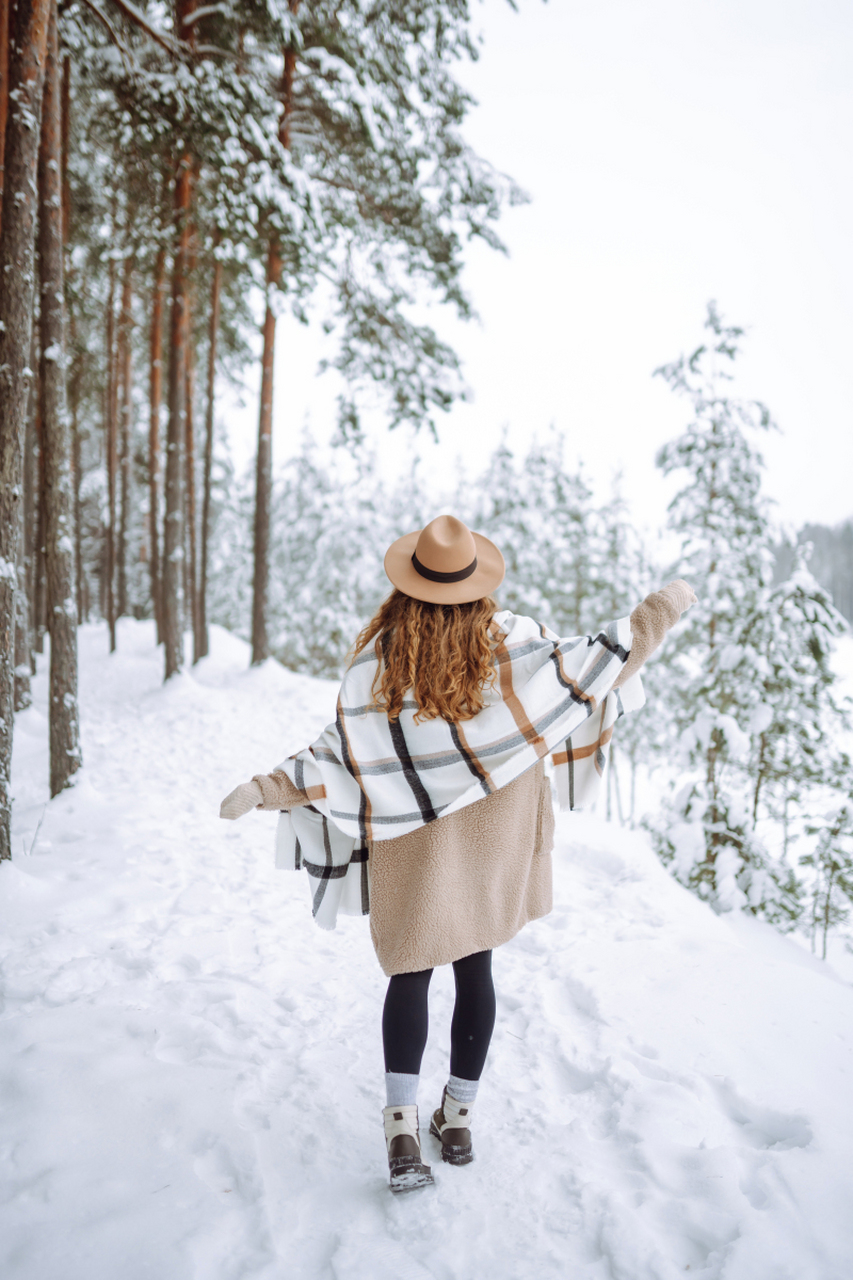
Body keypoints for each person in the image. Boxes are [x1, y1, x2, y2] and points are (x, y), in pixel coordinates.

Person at [220, 514, 696, 1194]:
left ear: (405, 590)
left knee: (410, 973)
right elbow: (601, 664)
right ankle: (460, 1117)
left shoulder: (379, 666)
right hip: (493, 844)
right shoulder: (520, 646)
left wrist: (266, 788)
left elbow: (340, 753)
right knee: (476, 973)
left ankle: (403, 1131)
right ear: (477, 587)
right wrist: (662, 607)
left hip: (413, 849)